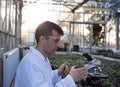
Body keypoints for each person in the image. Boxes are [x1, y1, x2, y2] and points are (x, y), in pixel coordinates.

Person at [14, 21, 88, 87]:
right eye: (56, 41)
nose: (58, 45)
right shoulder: (31, 64)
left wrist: (58, 73)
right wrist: (71, 78)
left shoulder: (42, 59)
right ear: (42, 39)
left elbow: (45, 79)